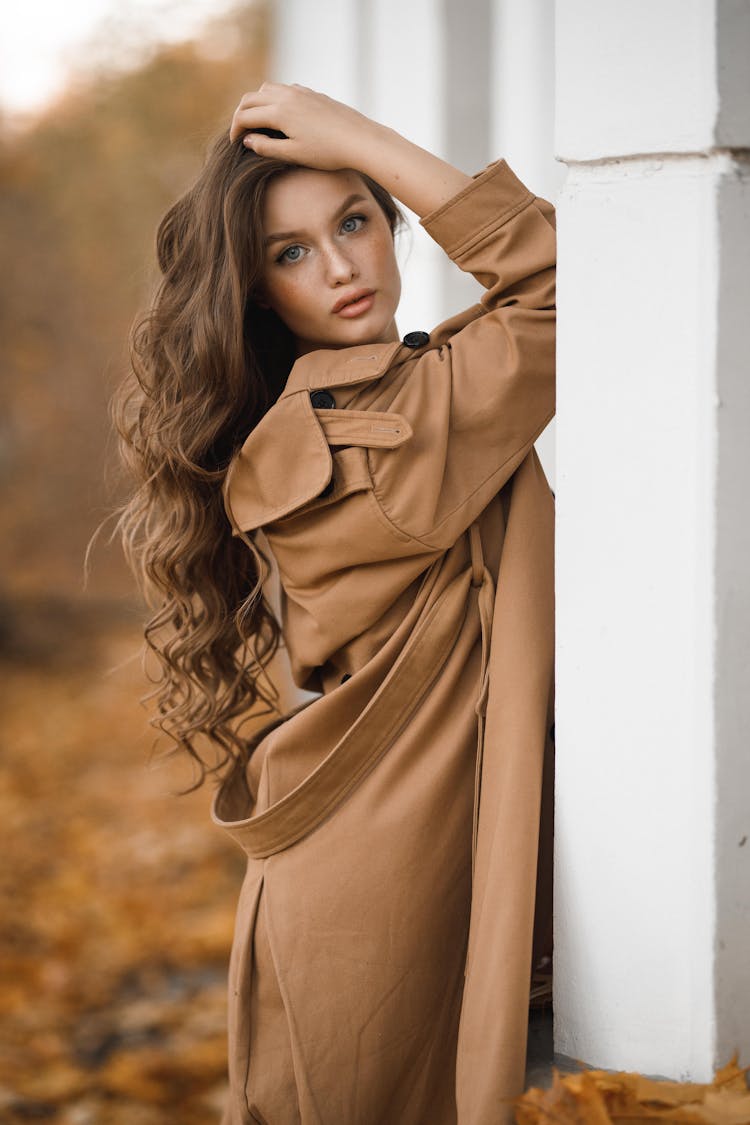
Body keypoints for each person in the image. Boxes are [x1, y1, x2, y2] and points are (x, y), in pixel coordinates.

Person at [115, 82, 556, 1125]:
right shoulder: (380, 435)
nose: (344, 267)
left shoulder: (361, 404)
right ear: (260, 290)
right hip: (380, 902)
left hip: (365, 877)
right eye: (292, 251)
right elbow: (567, 292)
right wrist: (371, 144)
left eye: (355, 220)